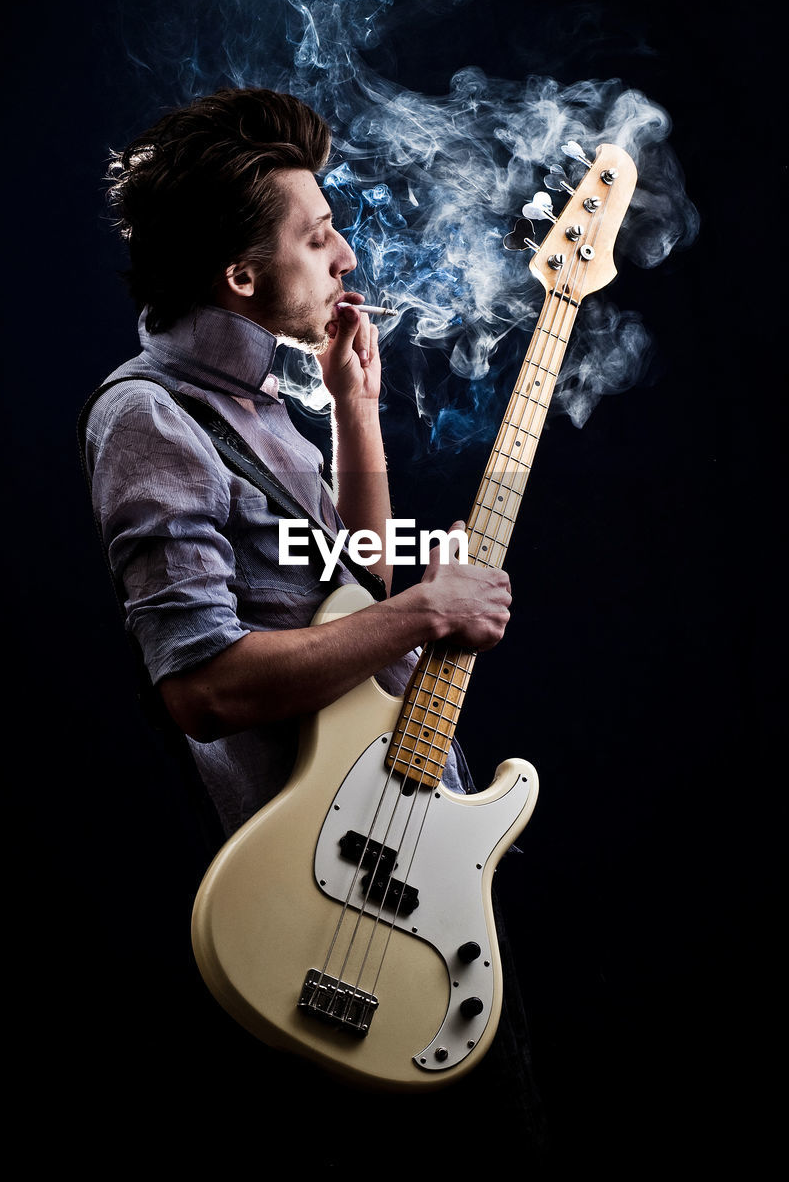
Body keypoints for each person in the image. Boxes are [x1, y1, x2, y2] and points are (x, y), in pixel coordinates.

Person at [81, 87, 548, 1169]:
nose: (346, 253)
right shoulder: (150, 416)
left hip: (413, 862)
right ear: (240, 277)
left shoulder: (266, 412)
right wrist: (428, 607)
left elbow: (356, 580)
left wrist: (353, 414)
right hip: (322, 905)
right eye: (316, 234)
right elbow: (201, 685)